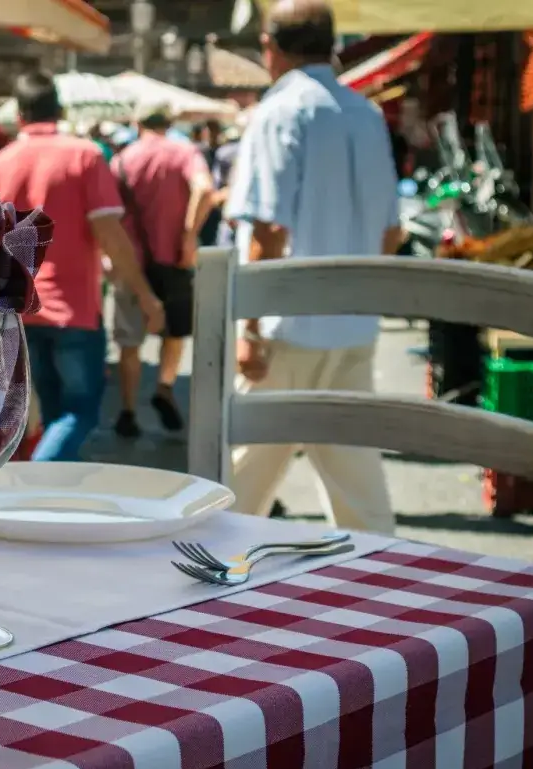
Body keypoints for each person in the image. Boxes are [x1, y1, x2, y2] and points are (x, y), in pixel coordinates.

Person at [224, 0, 401, 535]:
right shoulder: (365, 113)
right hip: (353, 324)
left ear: (271, 49)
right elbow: (391, 233)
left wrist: (250, 326)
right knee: (359, 493)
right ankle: (380, 587)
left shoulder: (279, 111)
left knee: (236, 489)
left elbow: (269, 231)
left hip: (288, 325)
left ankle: (198, 591)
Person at [0, 72, 163, 462]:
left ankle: (50, 503)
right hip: (73, 310)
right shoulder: (85, 155)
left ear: (19, 114)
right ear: (60, 110)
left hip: (18, 312)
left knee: (52, 414)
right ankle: (35, 484)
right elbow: (112, 235)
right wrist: (145, 296)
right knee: (79, 412)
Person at [110, 104, 214, 438]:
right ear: (169, 123)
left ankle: (127, 411)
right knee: (175, 331)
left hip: (131, 262)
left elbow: (109, 214)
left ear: (137, 123)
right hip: (175, 260)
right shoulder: (185, 152)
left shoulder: (121, 160)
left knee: (129, 341)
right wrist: (189, 235)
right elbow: (205, 188)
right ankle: (165, 386)